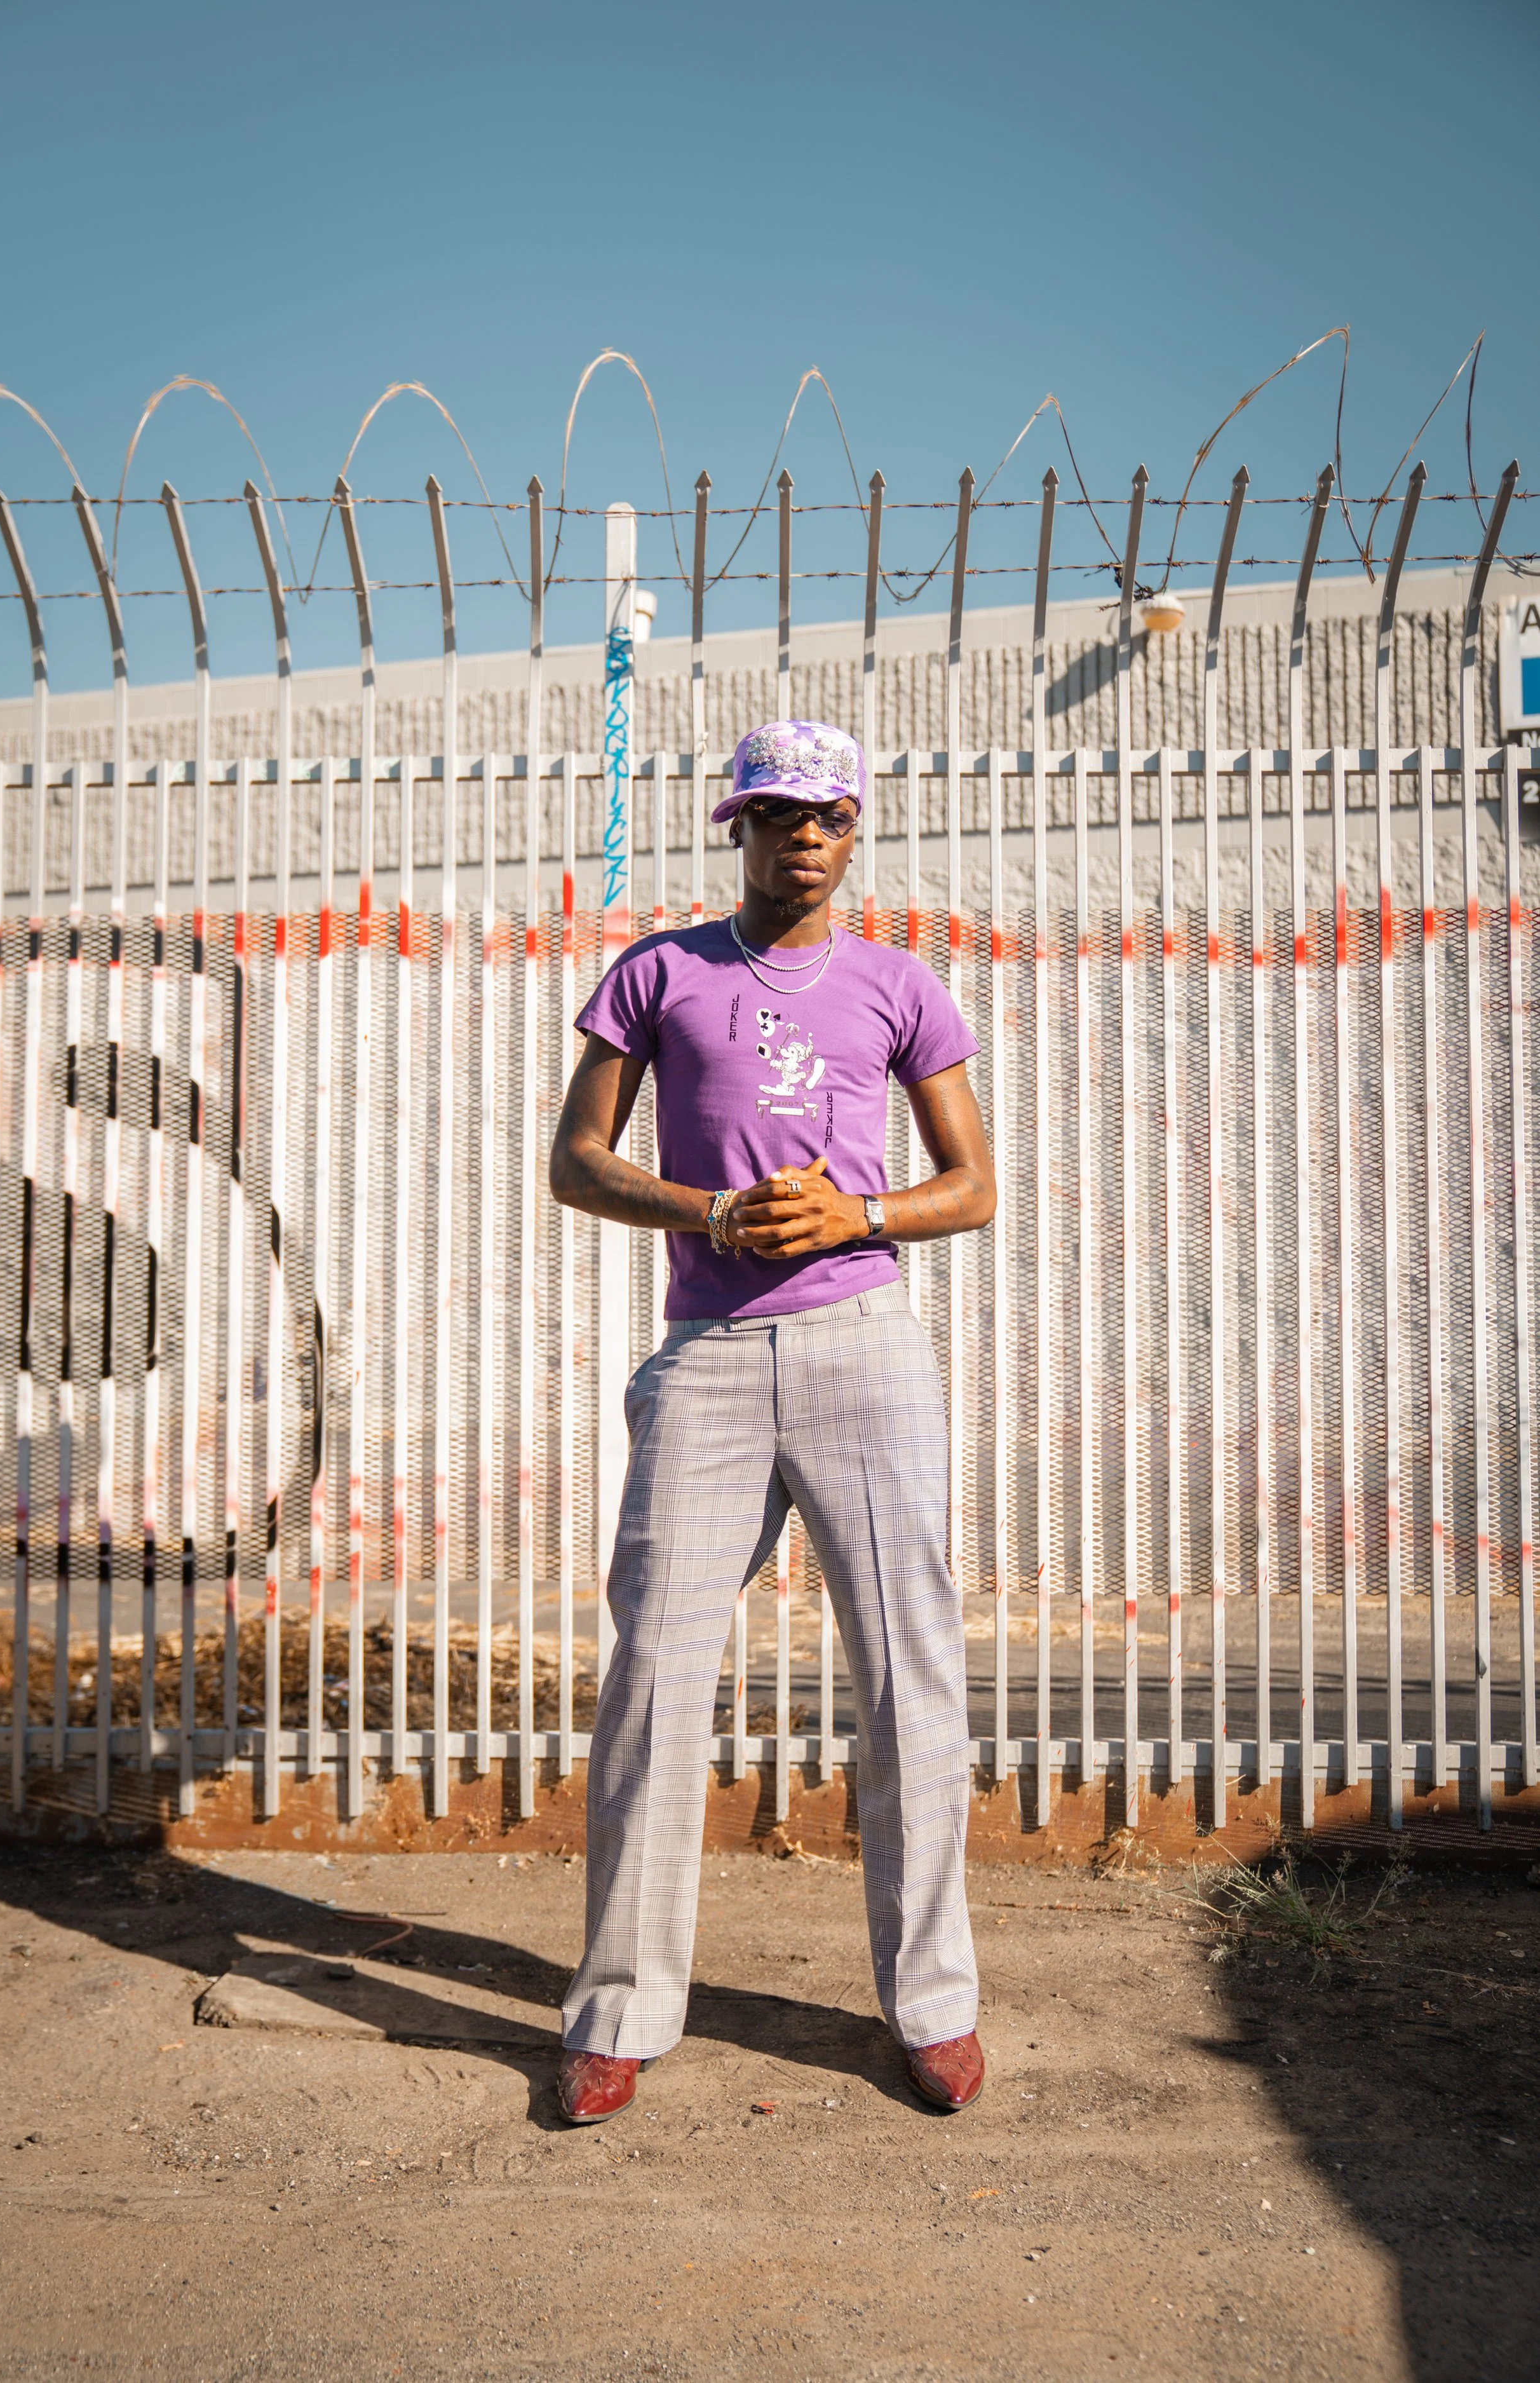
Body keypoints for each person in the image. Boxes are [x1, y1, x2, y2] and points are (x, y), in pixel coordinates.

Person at [548, 719, 997, 2123]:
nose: (805, 833)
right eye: (778, 811)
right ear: (733, 825)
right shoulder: (657, 974)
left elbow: (970, 1183)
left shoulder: (896, 987)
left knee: (907, 1678)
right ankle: (620, 2010)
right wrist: (708, 1210)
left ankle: (929, 2006)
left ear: (854, 831)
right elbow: (574, 1163)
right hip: (711, 1358)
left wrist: (858, 1212)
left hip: (865, 1352)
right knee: (656, 1680)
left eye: (830, 813)